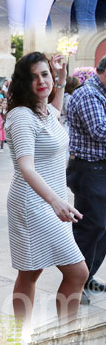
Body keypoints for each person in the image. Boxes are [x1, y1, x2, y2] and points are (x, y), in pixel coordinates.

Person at [5, 51, 87, 323]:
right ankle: (64, 336)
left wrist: (61, 80)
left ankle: (24, 335)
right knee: (77, 273)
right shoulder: (21, 116)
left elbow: (57, 108)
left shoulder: (45, 109)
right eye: (33, 77)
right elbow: (26, 167)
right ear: (22, 83)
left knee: (31, 272)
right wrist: (55, 201)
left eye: (45, 75)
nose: (41, 81)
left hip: (51, 200)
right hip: (33, 204)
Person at [66, 57, 106, 297]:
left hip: (99, 169)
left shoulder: (99, 94)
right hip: (89, 170)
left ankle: (87, 276)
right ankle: (73, 285)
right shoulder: (89, 94)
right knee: (90, 227)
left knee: (102, 227)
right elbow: (100, 130)